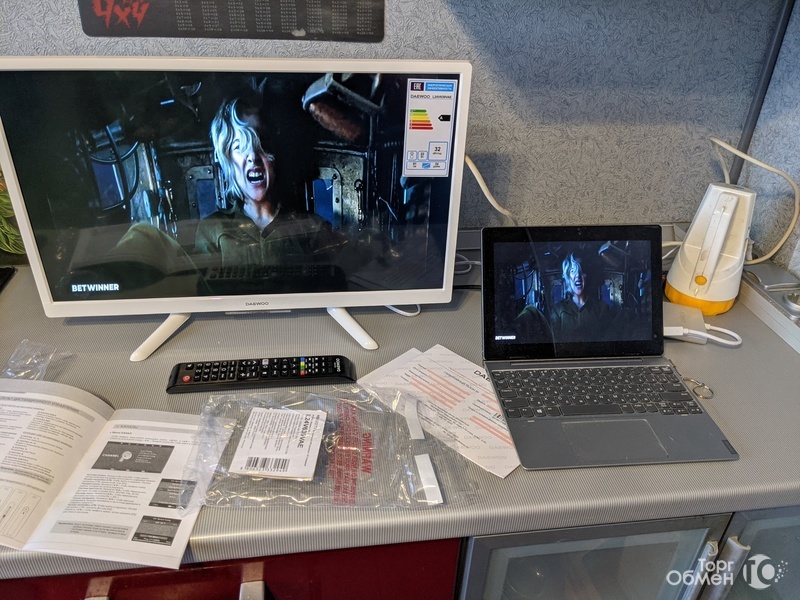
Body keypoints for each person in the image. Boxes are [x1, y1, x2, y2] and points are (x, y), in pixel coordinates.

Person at [194, 95, 346, 277]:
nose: (253, 157)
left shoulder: (312, 228)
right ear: (228, 160)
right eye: (239, 147)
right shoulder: (211, 230)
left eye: (261, 144)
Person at [550, 252, 612, 341]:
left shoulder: (602, 309)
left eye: (581, 271)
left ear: (587, 276)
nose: (578, 276)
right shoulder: (558, 310)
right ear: (567, 277)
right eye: (572, 271)